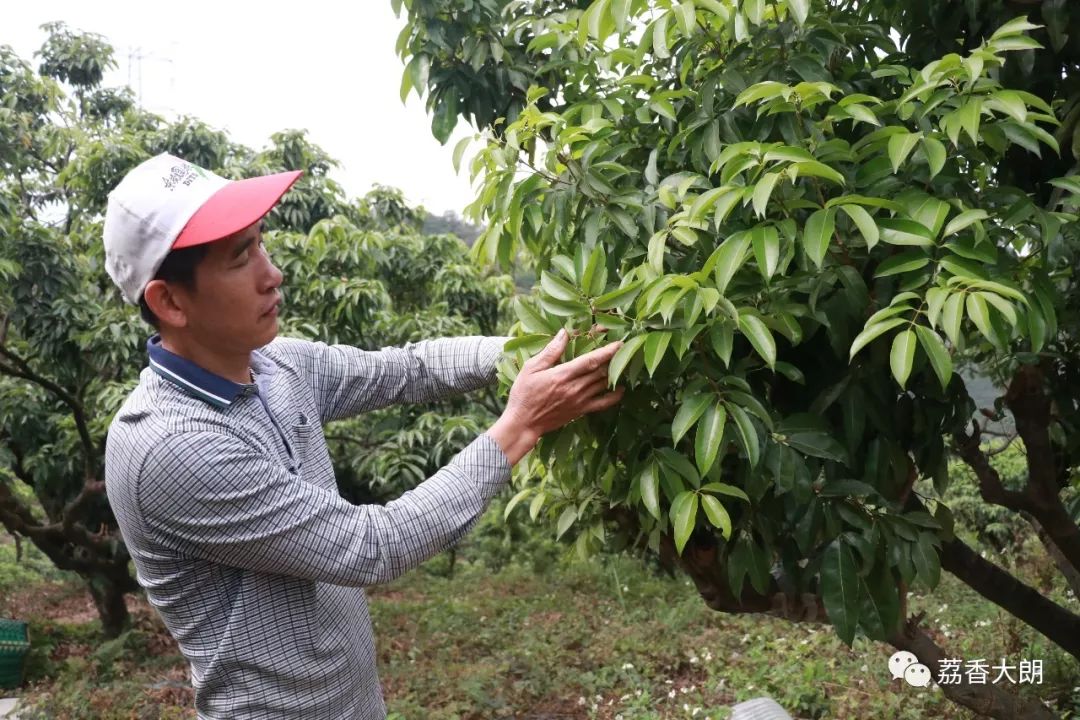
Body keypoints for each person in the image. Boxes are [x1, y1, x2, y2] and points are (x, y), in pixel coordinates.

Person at [101, 153, 624, 719]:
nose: (271, 273)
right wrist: (521, 425)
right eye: (239, 257)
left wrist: (543, 349)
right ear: (169, 301)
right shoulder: (170, 448)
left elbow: (408, 368)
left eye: (261, 243)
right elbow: (373, 546)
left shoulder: (275, 365)